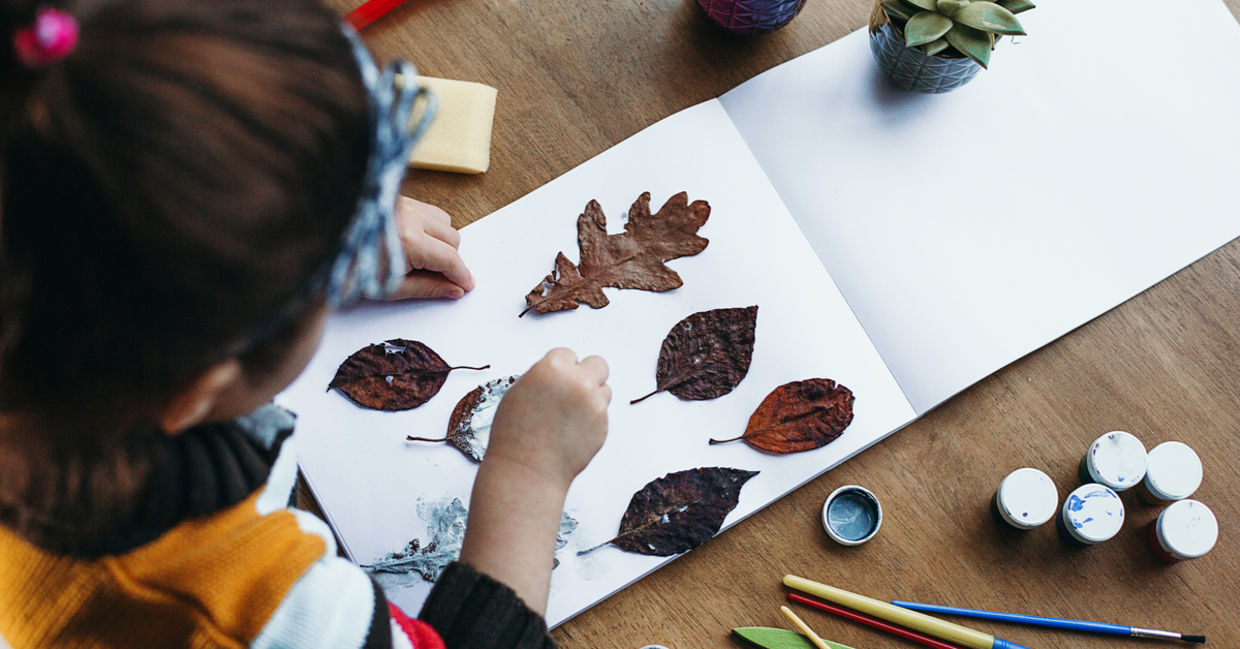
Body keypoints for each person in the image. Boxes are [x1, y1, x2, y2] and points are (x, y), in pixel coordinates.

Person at [0, 1, 611, 648]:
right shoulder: (256, 612)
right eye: (329, 266)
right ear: (198, 388)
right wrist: (526, 478)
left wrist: (292, 227)